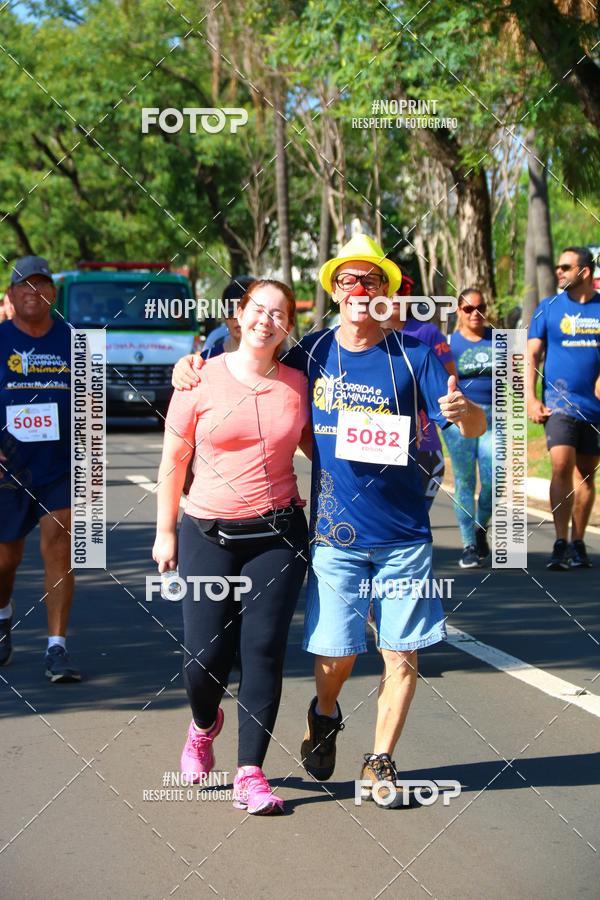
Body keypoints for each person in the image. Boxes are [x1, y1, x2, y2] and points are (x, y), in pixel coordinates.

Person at [171, 234, 485, 804]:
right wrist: (190, 366)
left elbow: (472, 425)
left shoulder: (414, 356)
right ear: (336, 290)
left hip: (405, 533)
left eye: (372, 282)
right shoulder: (311, 352)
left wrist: (469, 415)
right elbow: (250, 358)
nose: (361, 292)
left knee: (400, 652)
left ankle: (381, 760)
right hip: (335, 536)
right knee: (335, 656)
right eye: (349, 281)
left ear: (387, 292)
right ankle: (324, 710)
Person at [153, 279, 311, 816]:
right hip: (207, 531)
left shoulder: (299, 384)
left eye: (279, 313)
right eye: (258, 310)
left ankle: (251, 773)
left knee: (263, 650)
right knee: (204, 658)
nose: (267, 320)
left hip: (279, 534)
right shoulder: (198, 376)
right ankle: (203, 724)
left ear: (288, 323)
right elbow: (174, 458)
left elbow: (329, 448)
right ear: (239, 316)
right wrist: (166, 530)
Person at [0, 256, 80, 681]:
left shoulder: (75, 342)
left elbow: (91, 405)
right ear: (11, 296)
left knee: (58, 544)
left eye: (41, 284)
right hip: (7, 469)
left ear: (52, 293)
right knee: (4, 560)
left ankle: (57, 648)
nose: (33, 291)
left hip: (59, 467)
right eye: (24, 285)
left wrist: (92, 462)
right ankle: (3, 611)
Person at [528, 246, 600, 569]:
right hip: (559, 403)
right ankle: (560, 541)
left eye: (565, 267)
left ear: (584, 272)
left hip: (594, 408)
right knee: (560, 465)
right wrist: (530, 396)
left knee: (586, 474)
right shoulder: (549, 308)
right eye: (557, 266)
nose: (559, 272)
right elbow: (531, 355)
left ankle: (579, 542)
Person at [383, 277, 457, 510]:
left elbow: (451, 384)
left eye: (403, 291)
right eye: (390, 291)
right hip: (377, 446)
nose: (396, 297)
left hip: (423, 447)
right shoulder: (362, 335)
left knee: (415, 521)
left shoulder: (427, 333)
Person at [442, 288, 494, 568]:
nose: (476, 313)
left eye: (481, 307)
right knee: (465, 481)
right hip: (459, 418)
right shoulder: (449, 343)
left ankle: (480, 525)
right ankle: (469, 545)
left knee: (493, 480)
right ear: (459, 312)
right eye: (468, 309)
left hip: (494, 417)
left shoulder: (498, 341)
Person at [201, 275, 255, 359]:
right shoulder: (209, 355)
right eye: (230, 311)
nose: (237, 317)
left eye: (245, 310)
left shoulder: (279, 357)